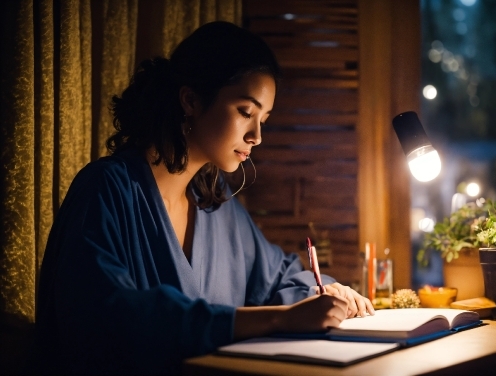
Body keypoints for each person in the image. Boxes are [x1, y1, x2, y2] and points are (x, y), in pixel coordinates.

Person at [35, 21, 374, 374]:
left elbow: (278, 276)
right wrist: (274, 320)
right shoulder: (106, 189)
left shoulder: (214, 202)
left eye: (264, 119)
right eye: (246, 112)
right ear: (191, 100)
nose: (257, 135)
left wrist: (329, 291)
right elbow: (108, 319)